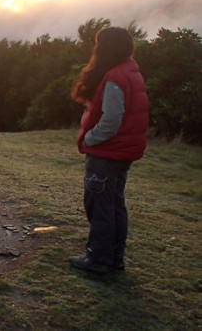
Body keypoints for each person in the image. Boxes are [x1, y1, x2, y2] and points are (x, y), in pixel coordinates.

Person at [69, 26, 149, 273]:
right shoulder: (130, 70)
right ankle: (114, 258)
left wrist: (90, 139)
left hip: (107, 153)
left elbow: (111, 120)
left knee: (100, 206)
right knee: (114, 205)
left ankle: (98, 259)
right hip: (121, 153)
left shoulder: (115, 77)